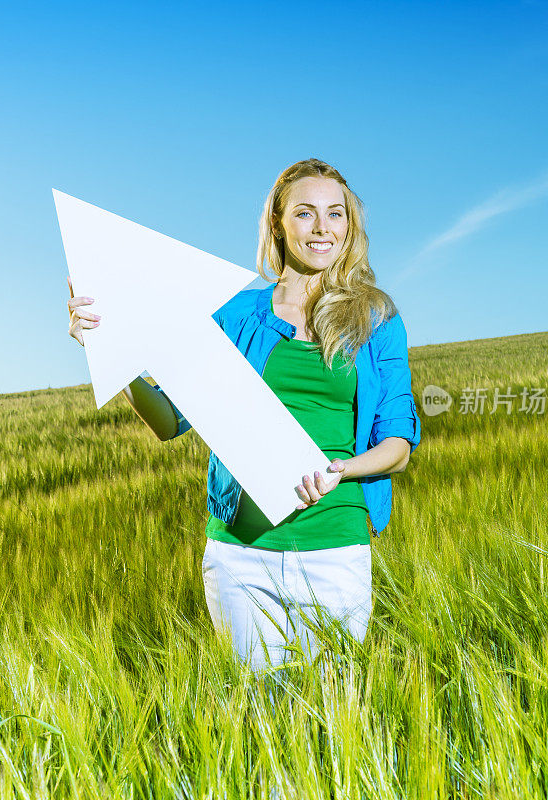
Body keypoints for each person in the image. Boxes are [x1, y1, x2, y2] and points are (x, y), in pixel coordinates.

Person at [67, 158, 421, 678]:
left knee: (335, 712)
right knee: (258, 718)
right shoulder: (233, 312)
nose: (323, 228)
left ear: (350, 226)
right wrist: (110, 352)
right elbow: (169, 421)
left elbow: (397, 446)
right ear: (278, 223)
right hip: (240, 553)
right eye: (305, 213)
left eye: (336, 214)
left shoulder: (377, 319)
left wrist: (341, 469)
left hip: (335, 547)